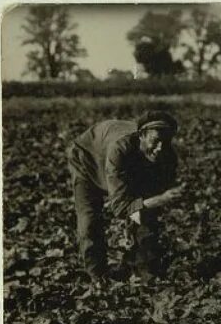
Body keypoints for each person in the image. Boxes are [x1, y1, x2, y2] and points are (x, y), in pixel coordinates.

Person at [67, 110, 183, 279]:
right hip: (88, 161)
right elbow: (121, 207)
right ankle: (97, 276)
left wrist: (148, 207)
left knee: (146, 216)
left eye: (166, 142)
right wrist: (159, 200)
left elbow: (148, 206)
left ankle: (141, 268)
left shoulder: (167, 157)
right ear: (141, 136)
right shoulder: (119, 150)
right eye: (155, 141)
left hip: (128, 168)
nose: (160, 148)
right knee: (89, 221)